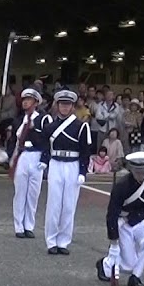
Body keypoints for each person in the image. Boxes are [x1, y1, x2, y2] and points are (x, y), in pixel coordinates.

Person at [97, 152, 144, 286]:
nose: (140, 175)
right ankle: (105, 264)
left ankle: (136, 277)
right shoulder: (121, 186)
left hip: (138, 220)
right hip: (122, 222)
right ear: (132, 170)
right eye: (137, 172)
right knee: (128, 264)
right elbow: (112, 214)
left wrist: (134, 219)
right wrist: (114, 243)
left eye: (143, 172)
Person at [41, 89, 92, 255]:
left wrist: (83, 172)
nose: (64, 107)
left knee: (69, 205)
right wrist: (44, 162)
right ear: (57, 105)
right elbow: (45, 147)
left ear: (72, 106)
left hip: (73, 165)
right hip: (56, 164)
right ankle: (51, 241)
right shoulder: (50, 127)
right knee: (54, 204)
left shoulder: (81, 126)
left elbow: (85, 151)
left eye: (68, 104)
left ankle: (63, 241)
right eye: (62, 104)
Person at [8, 88, 46, 238]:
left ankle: (29, 225)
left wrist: (44, 159)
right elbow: (13, 140)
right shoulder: (18, 119)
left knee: (33, 193)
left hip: (36, 155)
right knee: (20, 192)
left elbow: (45, 139)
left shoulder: (42, 119)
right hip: (23, 155)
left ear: (36, 102)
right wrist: (11, 156)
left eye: (29, 100)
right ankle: (18, 226)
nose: (25, 102)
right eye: (24, 100)